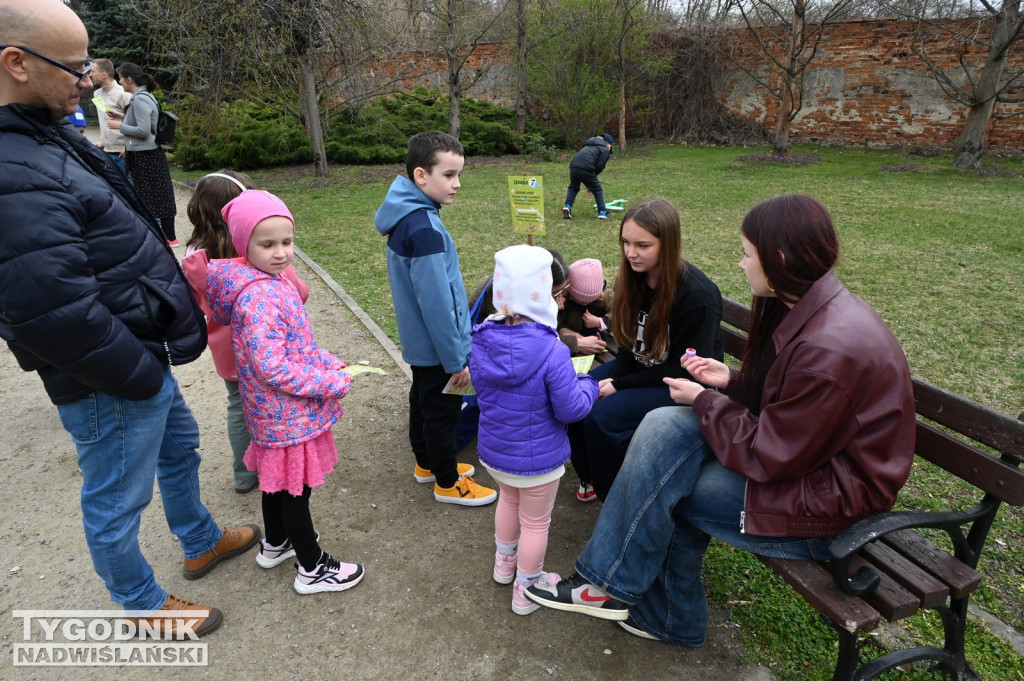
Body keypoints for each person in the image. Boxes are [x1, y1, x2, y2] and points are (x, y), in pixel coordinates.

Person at [525, 194, 917, 647]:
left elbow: (770, 453)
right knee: (664, 425)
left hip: (831, 503)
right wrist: (731, 379)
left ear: (781, 258)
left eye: (748, 253)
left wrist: (705, 400)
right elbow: (788, 406)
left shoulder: (828, 346)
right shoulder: (810, 310)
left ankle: (644, 602)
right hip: (806, 466)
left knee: (669, 482)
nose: (741, 263)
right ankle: (631, 594)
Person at [0, 0, 259, 638]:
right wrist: (139, 373)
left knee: (179, 448)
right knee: (118, 495)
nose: (87, 78)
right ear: (17, 65)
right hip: (108, 373)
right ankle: (140, 603)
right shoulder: (9, 168)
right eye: (75, 65)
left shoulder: (39, 134)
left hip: (135, 350)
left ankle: (198, 540)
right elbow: (47, 310)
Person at [206, 190, 365, 594]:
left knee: (276, 484)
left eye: (287, 242)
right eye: (268, 244)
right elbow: (271, 366)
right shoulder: (259, 295)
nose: (280, 252)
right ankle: (313, 567)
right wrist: (329, 383)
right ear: (244, 244)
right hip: (286, 413)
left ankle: (275, 544)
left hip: (274, 412)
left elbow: (295, 347)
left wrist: (325, 360)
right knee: (297, 490)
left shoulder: (269, 281)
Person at [569, 197, 723, 503]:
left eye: (643, 245)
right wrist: (617, 379)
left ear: (668, 244)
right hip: (644, 368)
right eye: (626, 242)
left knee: (602, 419)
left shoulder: (696, 296)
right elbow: (627, 342)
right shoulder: (636, 278)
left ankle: (617, 500)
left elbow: (684, 371)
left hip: (680, 385)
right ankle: (594, 481)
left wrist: (618, 385)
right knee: (575, 398)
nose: (630, 253)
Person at [471, 245, 599, 615]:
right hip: (538, 462)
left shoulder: (481, 339)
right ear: (543, 295)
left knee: (508, 503)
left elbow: (481, 389)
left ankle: (503, 565)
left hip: (495, 454)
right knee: (537, 522)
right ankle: (527, 589)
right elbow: (571, 408)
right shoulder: (553, 350)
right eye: (555, 295)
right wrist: (587, 383)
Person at [374, 130, 496, 506]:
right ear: (421, 176)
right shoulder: (424, 227)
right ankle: (446, 480)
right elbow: (437, 304)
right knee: (442, 411)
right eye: (449, 175)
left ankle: (427, 463)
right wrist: (456, 358)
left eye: (459, 174)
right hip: (439, 347)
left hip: (421, 344)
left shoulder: (409, 215)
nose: (457, 184)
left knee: (423, 401)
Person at [182, 170, 311, 494]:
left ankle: (245, 474)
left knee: (238, 407)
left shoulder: (196, 259)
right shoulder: (255, 256)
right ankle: (278, 464)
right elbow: (299, 292)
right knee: (273, 405)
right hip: (267, 349)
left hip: (226, 352)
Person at [105, 61, 178, 245]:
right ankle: (167, 236)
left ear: (129, 79)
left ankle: (166, 237)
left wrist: (119, 126)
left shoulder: (140, 99)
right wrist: (122, 117)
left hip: (146, 157)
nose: (120, 81)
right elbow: (145, 122)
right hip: (146, 154)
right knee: (158, 194)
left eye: (121, 78)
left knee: (151, 197)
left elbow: (144, 131)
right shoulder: (144, 96)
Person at [557, 257, 617, 365]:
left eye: (590, 300)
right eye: (578, 299)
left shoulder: (607, 297)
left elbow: (621, 315)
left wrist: (600, 322)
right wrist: (562, 328)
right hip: (569, 344)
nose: (584, 303)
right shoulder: (563, 297)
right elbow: (552, 320)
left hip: (598, 343)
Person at [89, 57, 130, 173]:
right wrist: (104, 142)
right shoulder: (97, 94)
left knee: (128, 189)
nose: (90, 75)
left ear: (103, 75)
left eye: (92, 71)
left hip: (122, 154)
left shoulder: (124, 94)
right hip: (106, 153)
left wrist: (128, 147)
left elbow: (136, 121)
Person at [562, 133, 614, 220]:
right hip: (587, 167)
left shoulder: (589, 146)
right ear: (607, 143)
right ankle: (602, 212)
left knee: (573, 187)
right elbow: (600, 166)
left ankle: (567, 206)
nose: (610, 148)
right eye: (611, 146)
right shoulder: (604, 150)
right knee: (597, 189)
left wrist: (589, 183)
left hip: (574, 166)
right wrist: (591, 182)